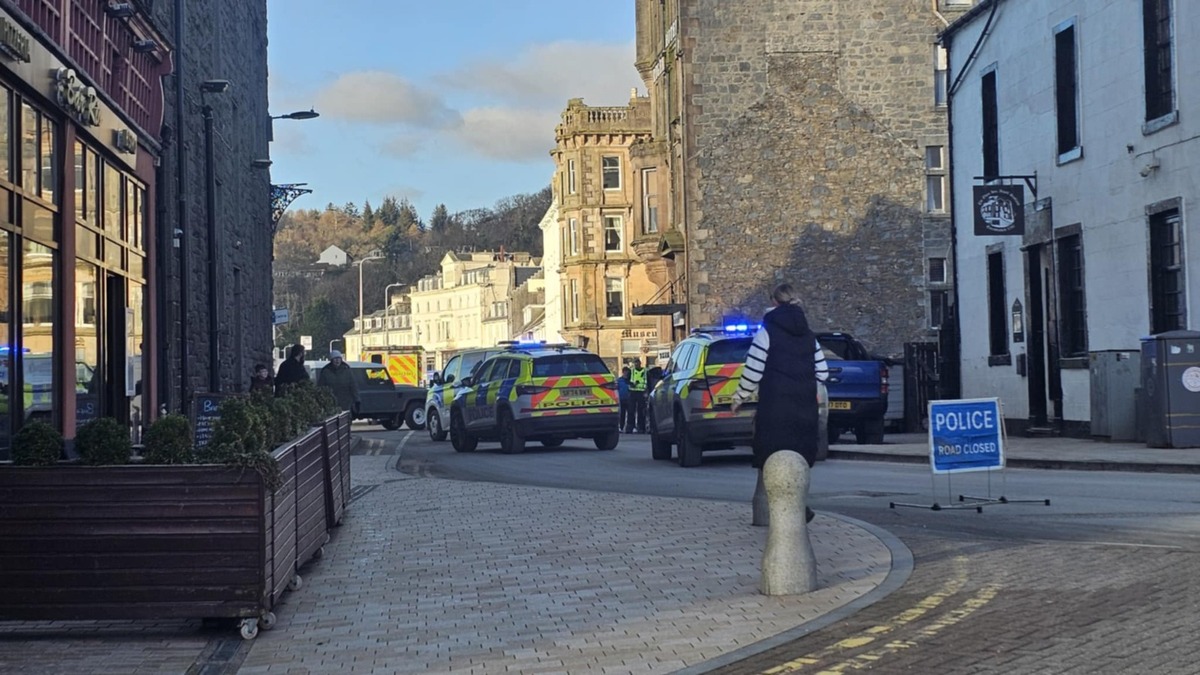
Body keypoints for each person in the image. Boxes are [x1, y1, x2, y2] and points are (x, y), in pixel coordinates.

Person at [730, 283, 829, 522]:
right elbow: (823, 373)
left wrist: (739, 397)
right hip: (805, 407)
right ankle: (800, 507)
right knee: (799, 459)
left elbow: (753, 370)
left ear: (774, 303)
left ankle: (782, 514)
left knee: (771, 459)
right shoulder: (809, 336)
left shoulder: (767, 332)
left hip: (775, 407)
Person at [627, 358, 648, 433]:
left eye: (637, 363)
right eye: (635, 363)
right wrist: (632, 384)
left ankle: (641, 427)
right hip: (633, 392)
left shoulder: (645, 371)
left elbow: (647, 382)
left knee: (641, 411)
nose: (636, 364)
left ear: (640, 363)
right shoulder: (631, 371)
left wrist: (647, 392)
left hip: (641, 393)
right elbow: (627, 380)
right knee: (631, 410)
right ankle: (630, 427)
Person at [617, 366, 632, 433]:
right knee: (622, 414)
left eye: (627, 373)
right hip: (621, 399)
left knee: (630, 414)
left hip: (629, 399)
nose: (626, 374)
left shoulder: (630, 380)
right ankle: (621, 427)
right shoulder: (619, 380)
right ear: (623, 372)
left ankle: (629, 428)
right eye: (625, 372)